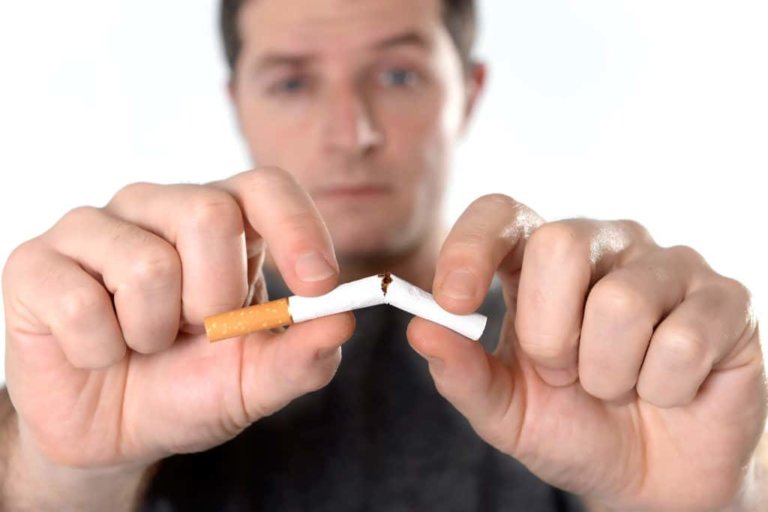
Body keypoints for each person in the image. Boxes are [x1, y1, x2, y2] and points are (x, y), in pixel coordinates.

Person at [0, 0, 765, 510]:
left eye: (399, 75)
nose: (353, 132)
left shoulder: (600, 366)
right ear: (237, 102)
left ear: (468, 92)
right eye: (292, 82)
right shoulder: (138, 352)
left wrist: (703, 503)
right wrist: (56, 478)